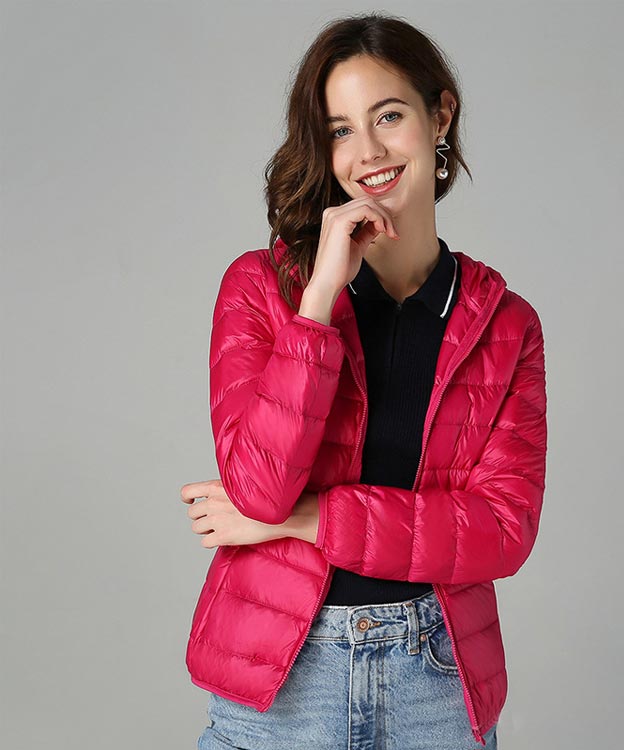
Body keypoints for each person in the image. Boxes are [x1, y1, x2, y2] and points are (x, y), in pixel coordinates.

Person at [179, 12, 547, 749]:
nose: (369, 151)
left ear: (440, 116)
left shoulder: (506, 326)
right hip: (283, 685)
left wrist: (305, 521)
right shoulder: (262, 289)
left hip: (435, 686)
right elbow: (258, 490)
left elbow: (502, 533)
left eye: (389, 116)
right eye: (341, 129)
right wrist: (317, 301)